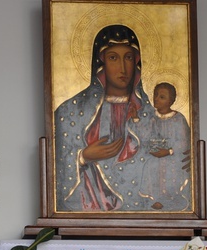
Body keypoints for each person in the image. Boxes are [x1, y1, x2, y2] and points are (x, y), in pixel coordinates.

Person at [54, 24, 156, 212]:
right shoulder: (71, 111)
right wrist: (84, 156)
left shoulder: (150, 114)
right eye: (113, 58)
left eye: (129, 58)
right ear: (101, 63)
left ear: (137, 62)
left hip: (137, 207)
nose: (123, 67)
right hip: (87, 204)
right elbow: (57, 166)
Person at [140, 81, 191, 211]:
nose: (156, 99)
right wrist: (136, 119)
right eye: (155, 95)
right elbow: (146, 135)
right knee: (150, 165)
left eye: (162, 97)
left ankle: (169, 198)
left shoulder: (178, 119)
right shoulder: (153, 118)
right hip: (156, 154)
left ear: (171, 101)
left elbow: (184, 142)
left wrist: (169, 151)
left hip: (173, 156)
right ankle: (156, 198)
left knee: (169, 169)